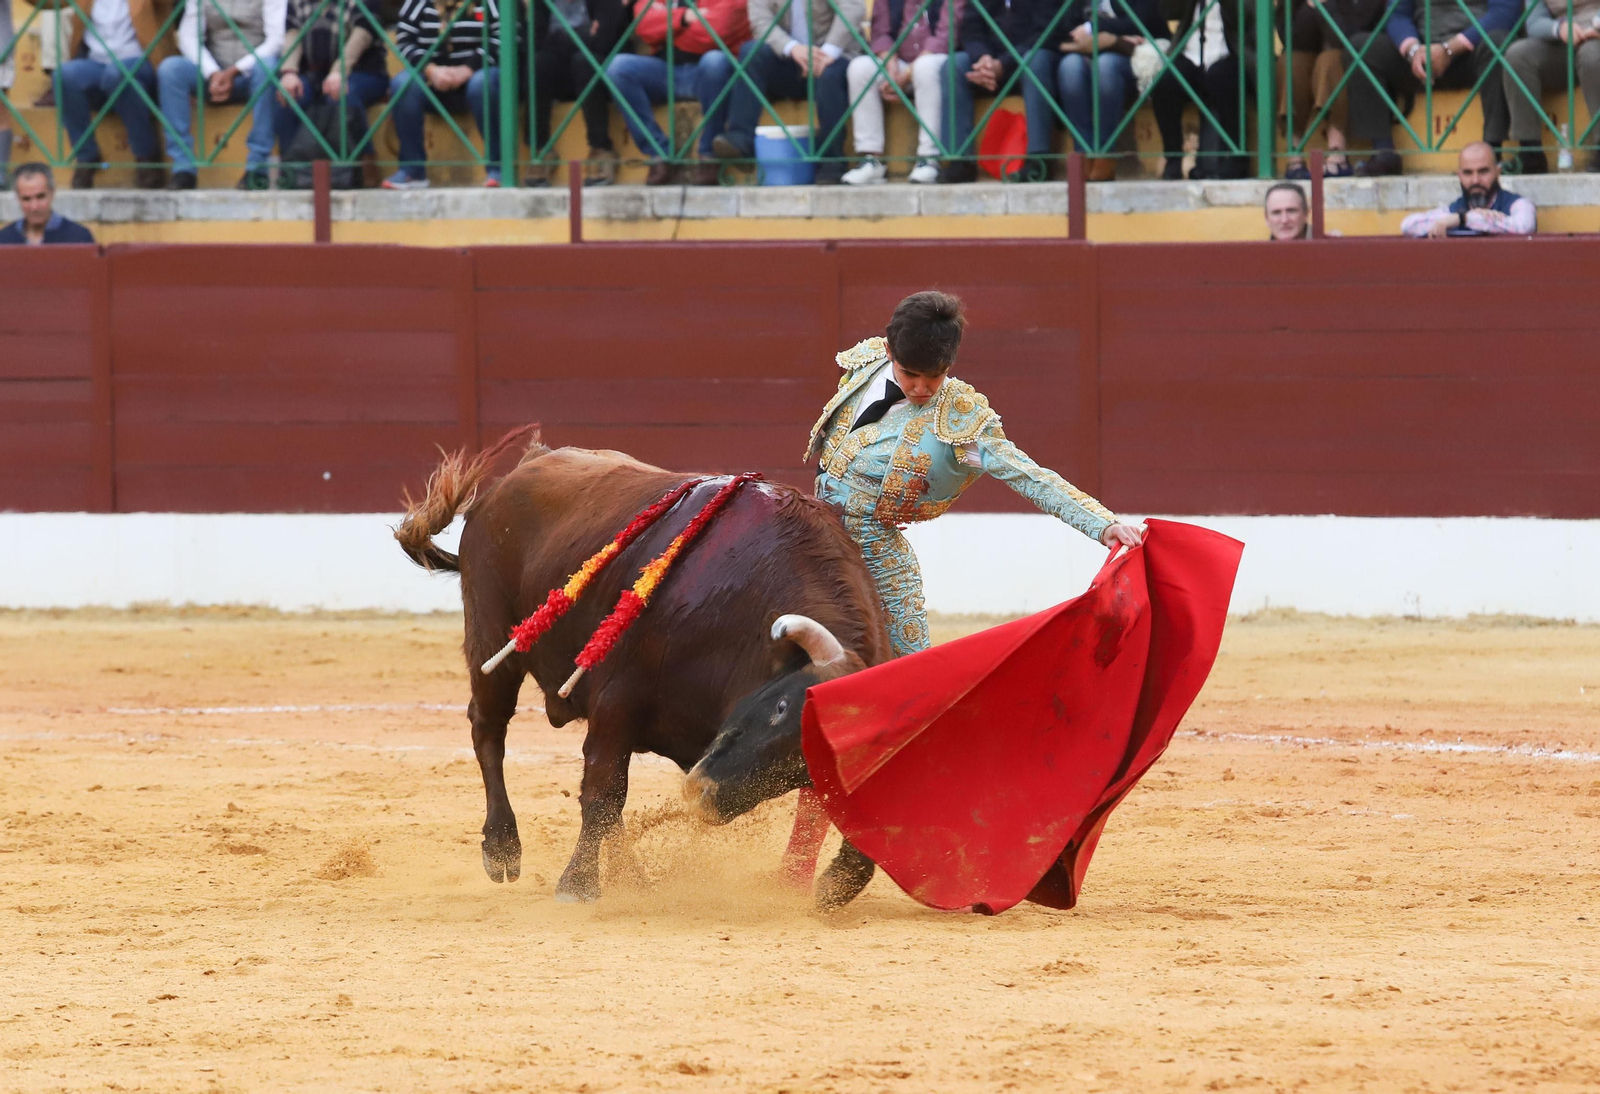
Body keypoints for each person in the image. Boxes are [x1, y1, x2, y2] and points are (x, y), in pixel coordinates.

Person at [806, 290, 1144, 658]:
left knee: (911, 663)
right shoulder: (865, 365)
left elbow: (1026, 476)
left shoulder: (960, 426)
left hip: (874, 549)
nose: (921, 388)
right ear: (889, 352)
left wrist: (1103, 525)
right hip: (813, 532)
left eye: (934, 377)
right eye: (910, 375)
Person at [1347, 0, 1518, 176]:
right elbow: (1397, 14)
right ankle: (1383, 154)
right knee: (1361, 47)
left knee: (1499, 43)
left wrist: (1449, 49)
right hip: (1420, 57)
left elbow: (1504, 14)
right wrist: (1413, 50)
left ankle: (1490, 153)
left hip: (1471, 52)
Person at [709, 0, 866, 185]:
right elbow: (760, 22)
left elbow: (852, 9)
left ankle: (831, 163)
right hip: (789, 58)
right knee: (751, 52)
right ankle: (740, 140)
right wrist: (792, 48)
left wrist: (827, 53)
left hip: (836, 54)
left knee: (829, 77)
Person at [604, 0, 748, 186]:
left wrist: (667, 29)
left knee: (715, 62)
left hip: (708, 72)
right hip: (665, 69)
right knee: (617, 68)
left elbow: (715, 32)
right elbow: (643, 24)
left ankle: (709, 157)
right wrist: (685, 17)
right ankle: (659, 153)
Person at [157, 0, 285, 190]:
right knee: (170, 70)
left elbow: (276, 41)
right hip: (212, 72)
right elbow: (188, 37)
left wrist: (236, 70)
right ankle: (183, 168)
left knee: (267, 67)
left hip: (251, 75)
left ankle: (257, 167)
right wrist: (213, 72)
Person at [1029, 0, 1160, 182]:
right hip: (1083, 49)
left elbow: (1141, 20)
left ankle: (1105, 153)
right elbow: (1059, 26)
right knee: (1069, 68)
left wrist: (1095, 28)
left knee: (1104, 67)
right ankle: (1083, 152)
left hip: (1129, 52)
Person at [384, 0, 503, 189]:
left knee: (483, 84)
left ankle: (498, 169)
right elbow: (405, 39)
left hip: (477, 75)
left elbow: (503, 36)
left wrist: (467, 69)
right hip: (432, 79)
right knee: (403, 84)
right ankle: (412, 171)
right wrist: (431, 70)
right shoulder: (418, 3)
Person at [840, 0, 961, 186]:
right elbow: (880, 32)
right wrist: (891, 66)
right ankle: (871, 158)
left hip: (934, 58)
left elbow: (946, 34)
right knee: (860, 68)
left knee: (925, 68)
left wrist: (906, 75)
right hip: (897, 63)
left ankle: (928, 158)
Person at [940, 0, 1052, 182]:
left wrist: (1003, 64)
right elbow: (971, 29)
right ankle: (959, 161)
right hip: (988, 62)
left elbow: (1046, 32)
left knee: (1036, 61)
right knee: (954, 65)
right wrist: (983, 59)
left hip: (1026, 57)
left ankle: (1038, 160)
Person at [1151, 0, 1262, 179]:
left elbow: (1246, 16)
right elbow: (1167, 10)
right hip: (1190, 53)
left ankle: (1237, 155)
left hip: (1229, 51)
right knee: (1165, 84)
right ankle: (1172, 157)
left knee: (1222, 79)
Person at [1278, 0, 1385, 178]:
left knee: (1330, 61)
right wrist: (1309, 7)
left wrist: (1326, 6)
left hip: (1351, 55)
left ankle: (1337, 152)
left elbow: (1351, 38)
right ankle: (1294, 154)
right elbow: (1291, 40)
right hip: (1311, 56)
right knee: (1290, 62)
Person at [525, 0, 626, 187]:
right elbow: (535, 42)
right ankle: (541, 150)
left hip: (598, 72)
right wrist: (586, 35)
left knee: (584, 61)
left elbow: (604, 42)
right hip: (562, 74)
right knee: (538, 65)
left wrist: (559, 38)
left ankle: (601, 149)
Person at [275, 0, 390, 163]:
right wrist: (289, 72)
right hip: (313, 73)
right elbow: (293, 33)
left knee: (342, 95)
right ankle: (291, 169)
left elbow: (363, 35)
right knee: (289, 95)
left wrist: (339, 70)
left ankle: (363, 163)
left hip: (364, 71)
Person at [1504, 0, 1600, 173]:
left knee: (1591, 56)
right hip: (1565, 43)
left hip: (1597, 39)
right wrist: (1559, 28)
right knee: (1518, 56)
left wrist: (1597, 26)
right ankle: (1530, 152)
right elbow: (1534, 23)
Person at [1400, 139, 1535, 234]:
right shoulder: (1453, 210)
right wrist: (1461, 218)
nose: (1475, 180)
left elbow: (1523, 227)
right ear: (1459, 176)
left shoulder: (1518, 204)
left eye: (1483, 171)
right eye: (1468, 173)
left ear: (1497, 172)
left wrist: (1463, 219)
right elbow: (1409, 225)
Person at [1, 162, 97, 243]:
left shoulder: (79, 238)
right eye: (26, 199)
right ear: (18, 198)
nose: (34, 207)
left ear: (52, 193)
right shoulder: (4, 240)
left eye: (40, 197)